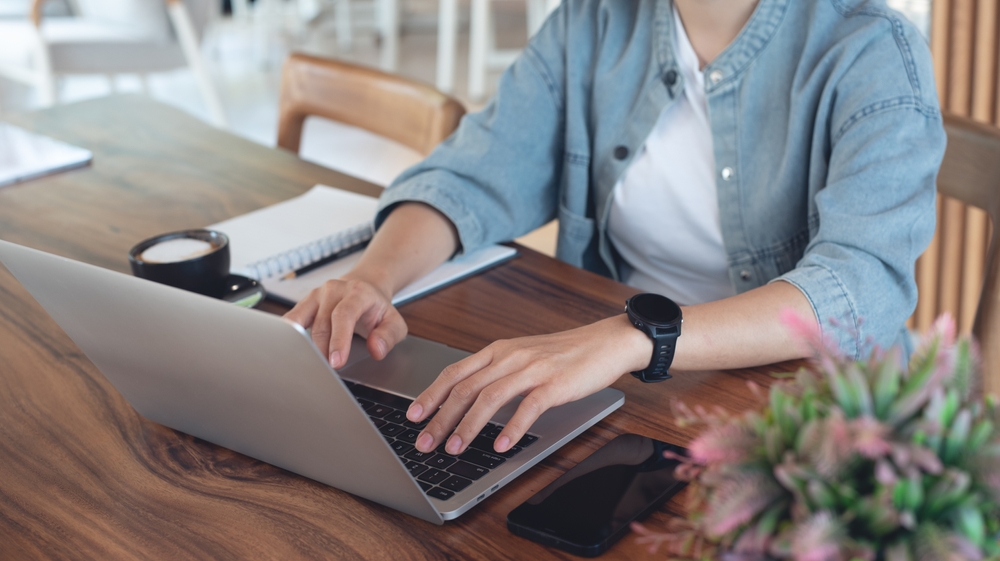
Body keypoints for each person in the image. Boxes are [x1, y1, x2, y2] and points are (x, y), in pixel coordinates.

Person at [285, 0, 945, 458]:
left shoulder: (873, 51)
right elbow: (469, 173)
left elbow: (855, 290)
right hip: (635, 392)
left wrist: (634, 338)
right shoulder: (594, 21)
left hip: (816, 424)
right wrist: (374, 276)